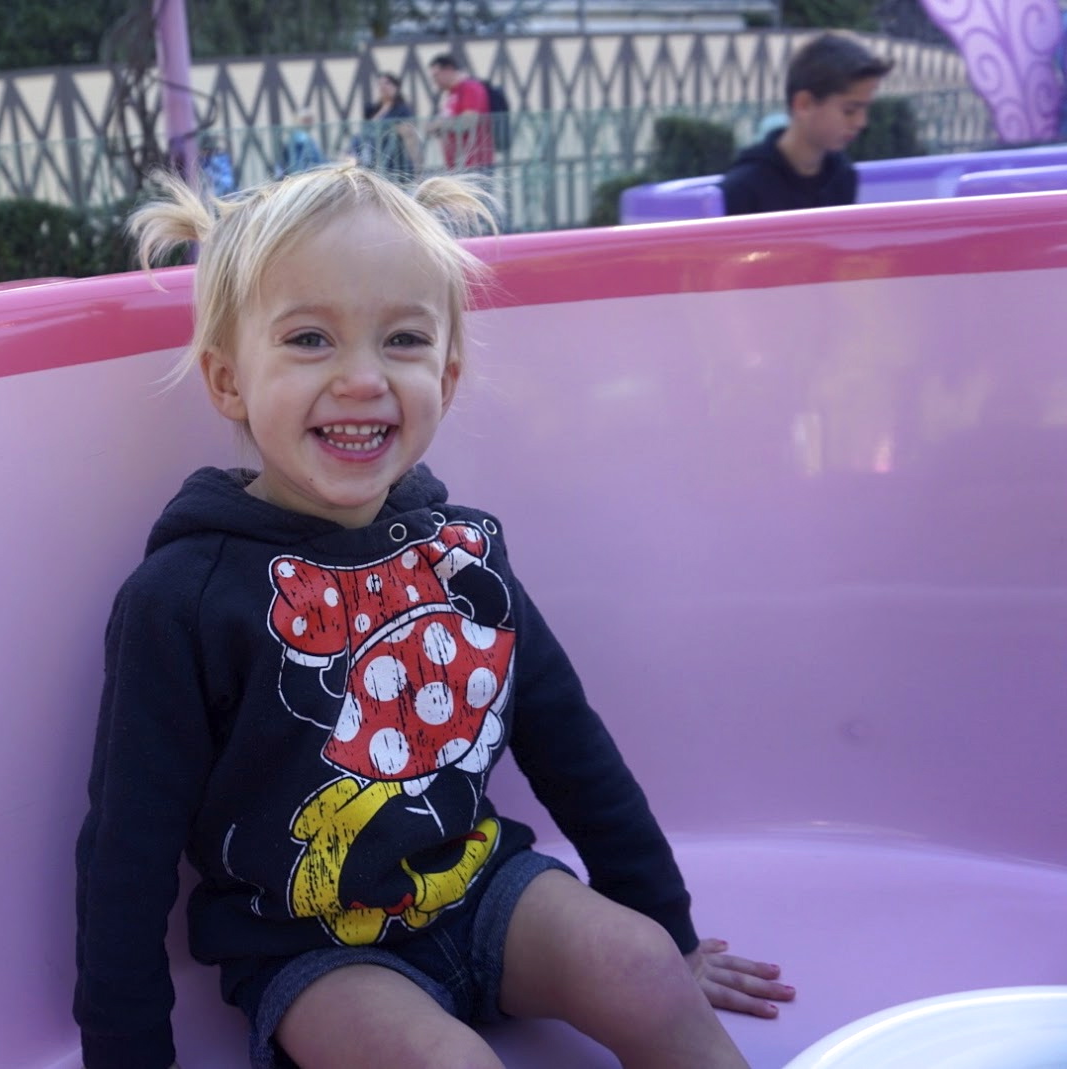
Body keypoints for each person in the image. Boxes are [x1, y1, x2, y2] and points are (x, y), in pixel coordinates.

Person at [73, 162, 794, 1069]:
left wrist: (672, 931)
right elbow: (126, 856)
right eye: (309, 339)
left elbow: (572, 748)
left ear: (446, 378)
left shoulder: (465, 554)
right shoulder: (181, 598)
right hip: (314, 954)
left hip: (483, 889)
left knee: (643, 967)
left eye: (403, 339)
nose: (362, 378)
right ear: (228, 380)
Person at [721, 33, 894, 215]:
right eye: (849, 110)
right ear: (803, 104)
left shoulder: (843, 175)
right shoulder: (742, 188)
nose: (861, 122)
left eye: (865, 109)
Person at [427, 53, 493, 173]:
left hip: (474, 162)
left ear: (448, 70)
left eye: (436, 75)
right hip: (459, 163)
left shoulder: (470, 88)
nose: (434, 81)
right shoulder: (450, 93)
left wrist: (440, 124)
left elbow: (468, 121)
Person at [362, 72, 420, 180]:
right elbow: (369, 126)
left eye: (387, 83)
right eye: (380, 84)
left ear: (396, 86)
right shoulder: (374, 108)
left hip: (395, 155)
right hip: (377, 153)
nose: (383, 87)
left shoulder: (402, 108)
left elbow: (408, 132)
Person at [278, 109, 326, 178]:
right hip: (303, 174)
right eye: (306, 121)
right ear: (298, 121)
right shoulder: (303, 138)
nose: (309, 123)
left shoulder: (297, 137)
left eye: (310, 120)